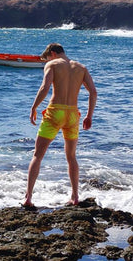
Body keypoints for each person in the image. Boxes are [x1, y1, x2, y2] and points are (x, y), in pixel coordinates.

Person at [23, 43, 97, 208]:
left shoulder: (53, 64)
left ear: (53, 53)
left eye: (47, 58)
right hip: (72, 114)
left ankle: (28, 198)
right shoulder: (81, 67)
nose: (46, 61)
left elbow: (45, 87)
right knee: (71, 157)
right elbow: (93, 92)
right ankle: (75, 197)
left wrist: (34, 107)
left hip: (55, 112)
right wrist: (89, 116)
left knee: (37, 155)